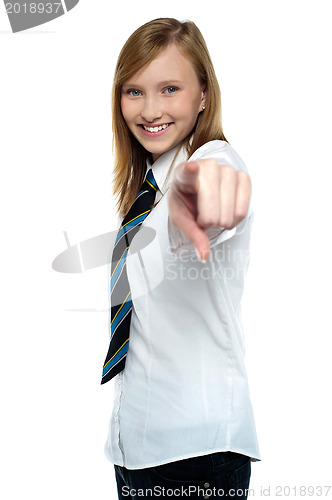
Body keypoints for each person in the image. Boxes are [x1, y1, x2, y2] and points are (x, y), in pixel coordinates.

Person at [101, 17, 260, 500]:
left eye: (169, 88)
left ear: (204, 94)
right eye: (135, 91)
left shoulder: (212, 159)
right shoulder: (143, 194)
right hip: (135, 454)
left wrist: (199, 197)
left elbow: (211, 186)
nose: (150, 109)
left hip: (197, 457)